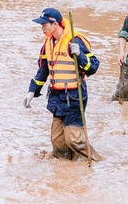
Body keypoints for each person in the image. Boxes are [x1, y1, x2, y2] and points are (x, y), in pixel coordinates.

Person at [25, 8, 100, 161]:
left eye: (44, 24)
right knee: (57, 141)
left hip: (74, 96)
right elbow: (43, 70)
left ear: (55, 24)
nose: (42, 28)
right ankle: (66, 170)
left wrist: (80, 55)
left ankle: (96, 161)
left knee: (74, 139)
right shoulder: (48, 43)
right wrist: (32, 91)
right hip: (56, 96)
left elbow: (93, 67)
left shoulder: (75, 41)